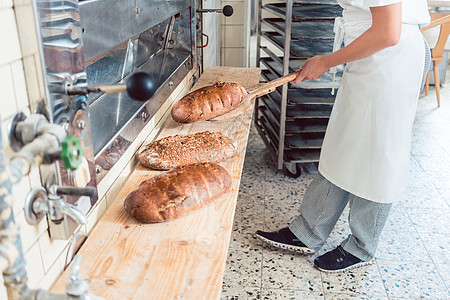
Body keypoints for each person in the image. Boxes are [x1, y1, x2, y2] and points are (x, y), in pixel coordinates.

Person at [255, 0, 431, 273]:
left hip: (392, 60)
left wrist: (325, 61)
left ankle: (362, 246)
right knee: (343, 145)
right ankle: (308, 230)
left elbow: (388, 32)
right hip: (370, 55)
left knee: (379, 155)